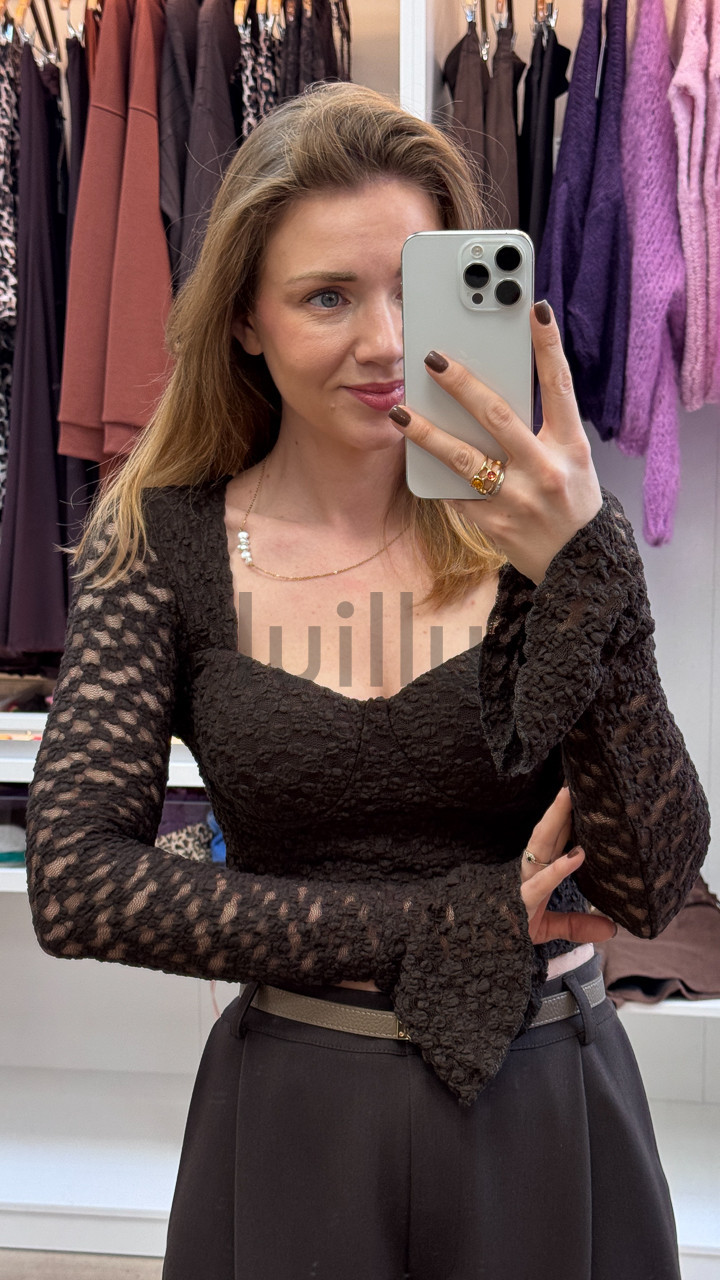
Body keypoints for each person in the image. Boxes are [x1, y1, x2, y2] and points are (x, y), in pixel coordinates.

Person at [26, 83, 709, 1280]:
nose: (388, 342)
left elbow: (653, 881)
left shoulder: (544, 525)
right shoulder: (165, 542)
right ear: (246, 318)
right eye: (327, 296)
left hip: (551, 1104)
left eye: (411, 288)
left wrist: (586, 568)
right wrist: (438, 927)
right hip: (293, 1117)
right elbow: (77, 880)